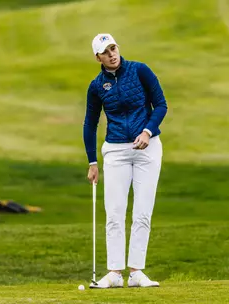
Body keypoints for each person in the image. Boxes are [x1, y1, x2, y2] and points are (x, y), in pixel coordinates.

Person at [83, 33, 168, 288]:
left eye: (113, 48)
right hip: (116, 151)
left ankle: (136, 272)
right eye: (105, 51)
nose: (112, 54)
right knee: (115, 212)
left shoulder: (140, 71)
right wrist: (92, 161)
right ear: (97, 57)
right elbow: (90, 123)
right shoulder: (97, 86)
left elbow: (161, 105)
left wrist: (147, 131)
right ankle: (115, 273)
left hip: (148, 148)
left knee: (142, 212)